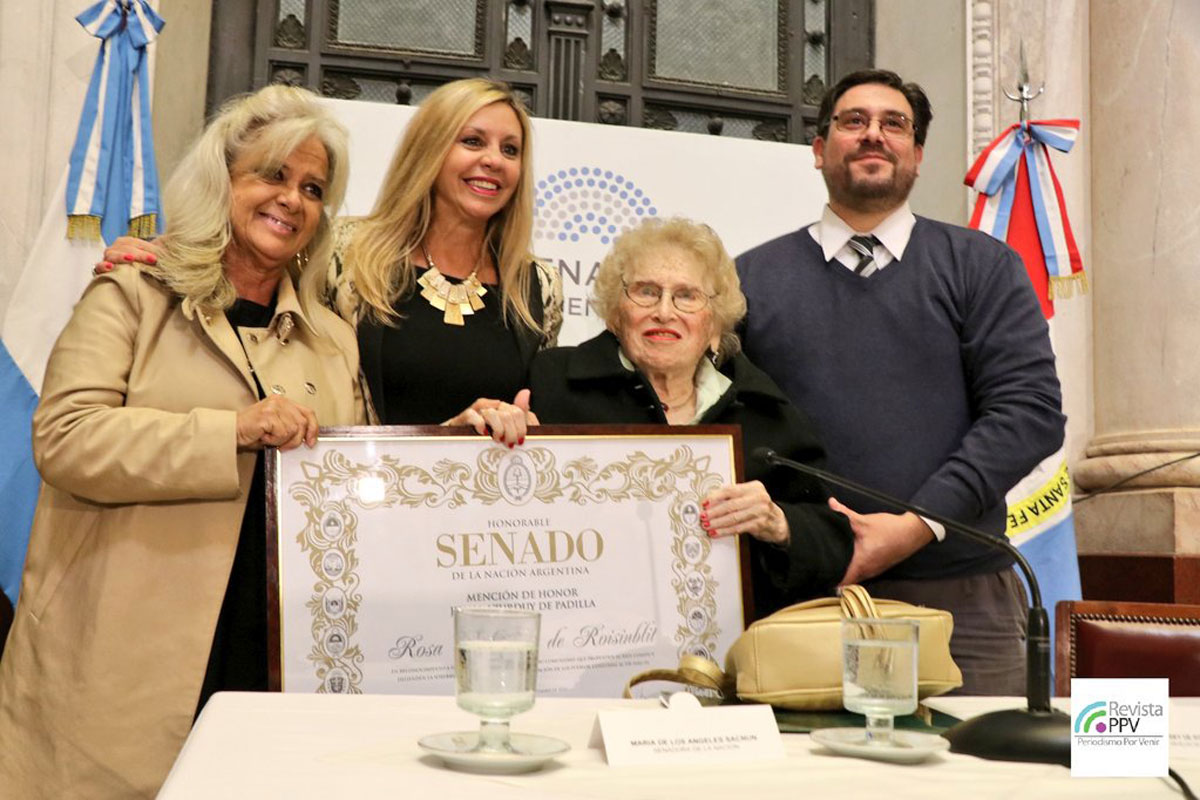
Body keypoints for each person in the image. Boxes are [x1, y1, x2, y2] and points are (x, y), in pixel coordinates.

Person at [0, 85, 363, 798]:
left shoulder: (334, 337)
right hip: (122, 660)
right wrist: (234, 431)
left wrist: (457, 443)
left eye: (312, 187)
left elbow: (361, 478)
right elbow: (67, 439)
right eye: (273, 175)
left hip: (271, 660)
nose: (292, 199)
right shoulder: (133, 292)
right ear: (222, 180)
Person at [735, 69, 1066, 694]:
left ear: (916, 154)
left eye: (894, 125)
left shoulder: (983, 267)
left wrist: (916, 524)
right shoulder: (747, 280)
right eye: (853, 121)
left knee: (984, 786)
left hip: (962, 600)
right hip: (802, 597)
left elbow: (1030, 413)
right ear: (817, 149)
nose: (873, 136)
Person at [104, 78, 560, 446]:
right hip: (354, 505)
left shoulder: (538, 286)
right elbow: (245, 280)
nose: (492, 161)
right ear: (431, 150)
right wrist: (172, 254)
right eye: (473, 141)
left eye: (510, 150)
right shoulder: (344, 251)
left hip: (488, 537)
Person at [528, 217, 854, 617]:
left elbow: (832, 543)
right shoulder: (553, 386)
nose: (665, 312)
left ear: (714, 323)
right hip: (582, 643)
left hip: (729, 659)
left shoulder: (763, 409)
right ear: (616, 313)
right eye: (646, 292)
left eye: (686, 296)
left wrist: (778, 523)